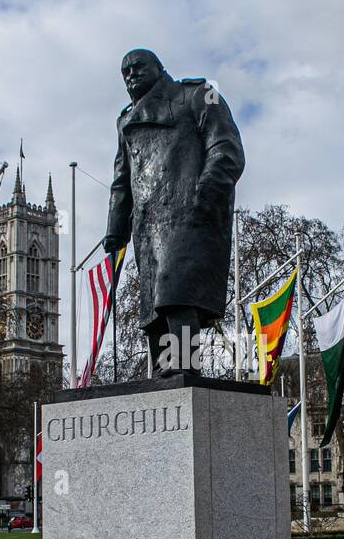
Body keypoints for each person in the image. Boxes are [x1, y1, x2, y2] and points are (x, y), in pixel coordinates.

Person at [102, 49, 245, 376]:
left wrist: (207, 193)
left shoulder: (199, 94)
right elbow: (122, 178)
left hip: (188, 215)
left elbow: (226, 148)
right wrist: (116, 228)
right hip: (147, 225)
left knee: (176, 296)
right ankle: (166, 377)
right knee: (153, 309)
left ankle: (183, 372)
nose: (131, 76)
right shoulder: (126, 121)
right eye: (125, 73)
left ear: (158, 68)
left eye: (138, 67)